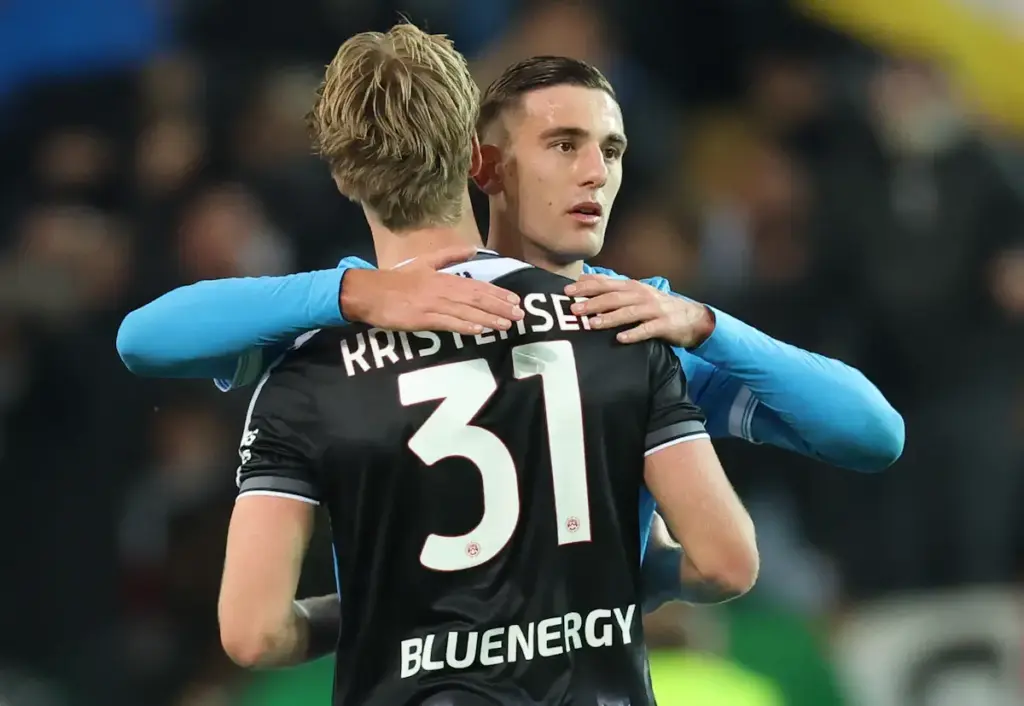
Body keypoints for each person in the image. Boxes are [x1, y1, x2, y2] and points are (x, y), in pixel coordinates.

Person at [117, 56, 901, 602]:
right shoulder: (383, 303)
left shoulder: (634, 322)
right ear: (482, 166)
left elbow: (872, 433)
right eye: (565, 145)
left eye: (613, 149)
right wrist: (354, 291)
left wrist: (707, 323)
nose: (597, 172)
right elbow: (146, 338)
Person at [217, 23, 757, 706]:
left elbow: (254, 634)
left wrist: (385, 614)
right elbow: (727, 560)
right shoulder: (614, 319)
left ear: (343, 173)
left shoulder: (305, 376)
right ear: (477, 157)